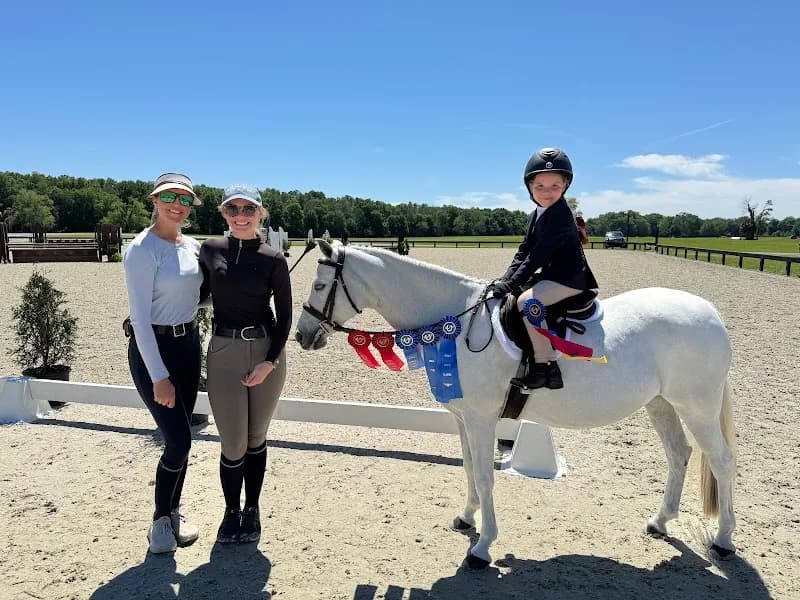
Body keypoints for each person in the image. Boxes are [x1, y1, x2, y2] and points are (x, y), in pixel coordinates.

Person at [199, 184, 292, 544]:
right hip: (223, 350)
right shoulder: (210, 250)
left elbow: (284, 317)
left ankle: (251, 509)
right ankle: (230, 510)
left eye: (248, 209)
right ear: (224, 213)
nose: (240, 215)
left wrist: (269, 362)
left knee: (256, 438)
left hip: (266, 351)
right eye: (233, 209)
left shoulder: (274, 258)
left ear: (260, 213)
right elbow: (194, 293)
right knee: (232, 440)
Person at [123, 172, 206, 553]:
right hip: (153, 350)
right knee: (178, 440)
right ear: (155, 200)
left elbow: (198, 297)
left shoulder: (191, 246)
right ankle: (159, 521)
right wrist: (159, 376)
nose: (178, 204)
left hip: (189, 347)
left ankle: (173, 512)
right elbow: (139, 318)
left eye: (185, 199)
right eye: (170, 196)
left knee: (183, 441)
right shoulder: (142, 250)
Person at [491, 148, 598, 390]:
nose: (546, 193)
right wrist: (505, 280)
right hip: (551, 275)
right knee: (513, 294)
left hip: (569, 279)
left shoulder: (560, 216)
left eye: (554, 186)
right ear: (529, 187)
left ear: (565, 186)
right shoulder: (536, 215)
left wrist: (512, 285)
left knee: (526, 303)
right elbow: (523, 252)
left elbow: (536, 258)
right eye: (540, 187)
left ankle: (544, 365)